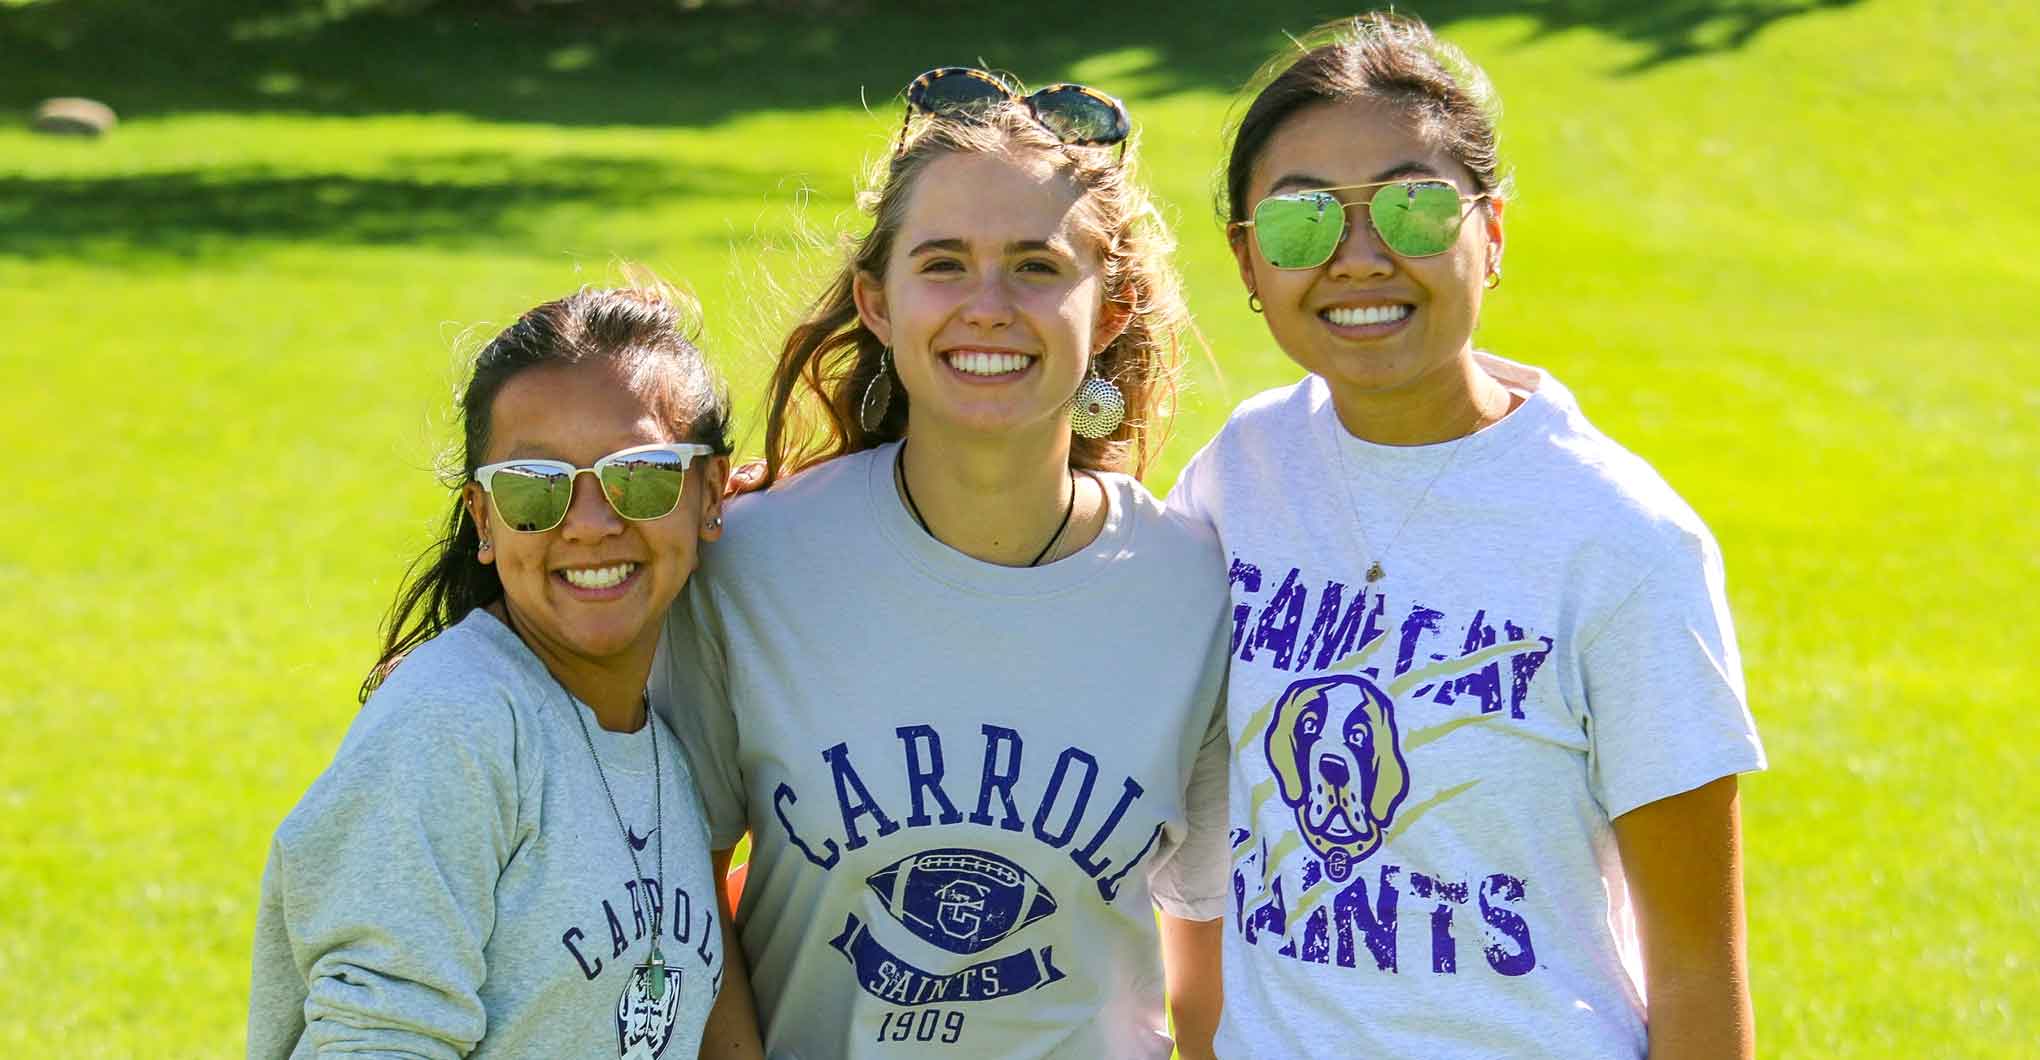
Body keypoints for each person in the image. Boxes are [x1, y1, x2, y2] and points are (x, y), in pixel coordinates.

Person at [1167, 13, 1766, 1059]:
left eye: (1412, 207)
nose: (1359, 259)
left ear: (1490, 235)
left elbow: (1697, 969)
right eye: (1304, 222)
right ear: (1250, 263)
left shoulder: (1619, 537)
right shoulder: (1239, 474)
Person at [652, 69, 1231, 1058]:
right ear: (878, 302)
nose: (989, 306)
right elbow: (680, 903)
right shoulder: (754, 562)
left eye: (1038, 267)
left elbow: (1208, 985)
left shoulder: (1193, 588)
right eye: (945, 264)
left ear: (1115, 304)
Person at [247, 283, 766, 1059]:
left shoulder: (663, 742)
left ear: (710, 494)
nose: (591, 524)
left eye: (643, 476)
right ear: (484, 521)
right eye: (535, 489)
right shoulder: (455, 722)